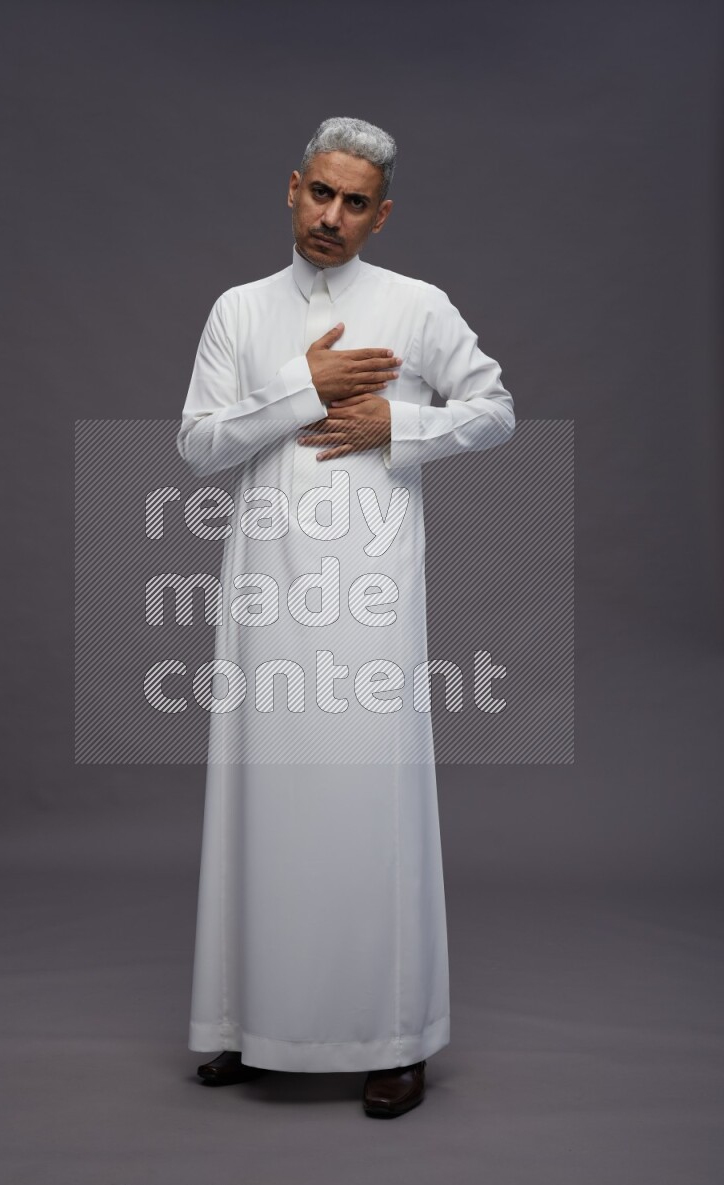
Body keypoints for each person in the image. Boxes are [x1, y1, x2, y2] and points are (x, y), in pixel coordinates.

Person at [176, 115, 515, 1118]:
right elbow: (197, 445)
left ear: (381, 213)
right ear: (290, 189)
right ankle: (244, 1022)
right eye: (318, 194)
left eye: (353, 203)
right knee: (257, 799)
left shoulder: (415, 308)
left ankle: (391, 1038)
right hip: (264, 592)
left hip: (367, 601)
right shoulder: (237, 312)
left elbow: (494, 407)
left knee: (369, 808)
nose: (331, 217)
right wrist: (301, 388)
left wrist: (399, 422)